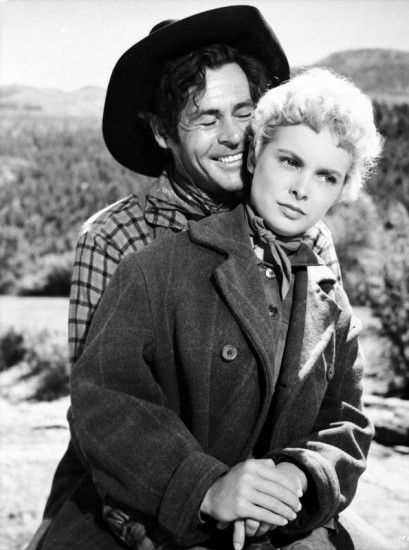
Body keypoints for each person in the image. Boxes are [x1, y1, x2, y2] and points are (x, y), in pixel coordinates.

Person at [26, 6, 344, 550]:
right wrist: (184, 501)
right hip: (140, 493)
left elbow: (331, 394)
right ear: (161, 131)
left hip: (272, 500)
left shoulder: (305, 232)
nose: (233, 136)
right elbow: (99, 407)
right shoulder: (116, 237)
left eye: (243, 112)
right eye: (206, 118)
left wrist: (297, 479)